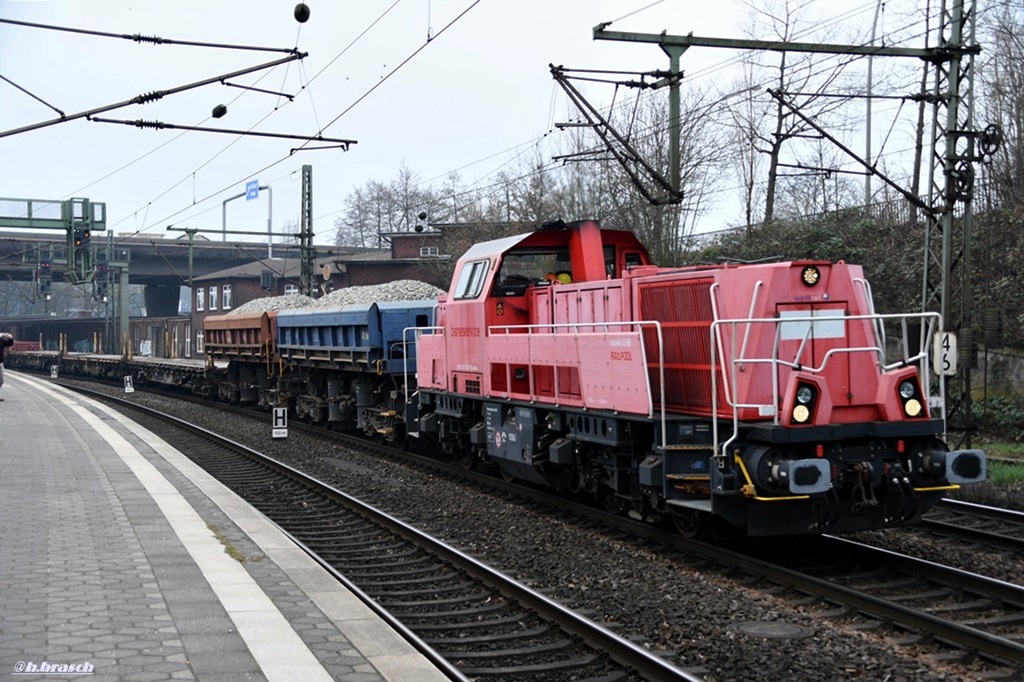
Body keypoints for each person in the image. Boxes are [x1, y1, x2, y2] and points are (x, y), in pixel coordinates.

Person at [0, 332, 13, 401]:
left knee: (1, 380)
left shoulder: (1, 341)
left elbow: (9, 344)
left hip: (0, 363)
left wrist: (11, 338)